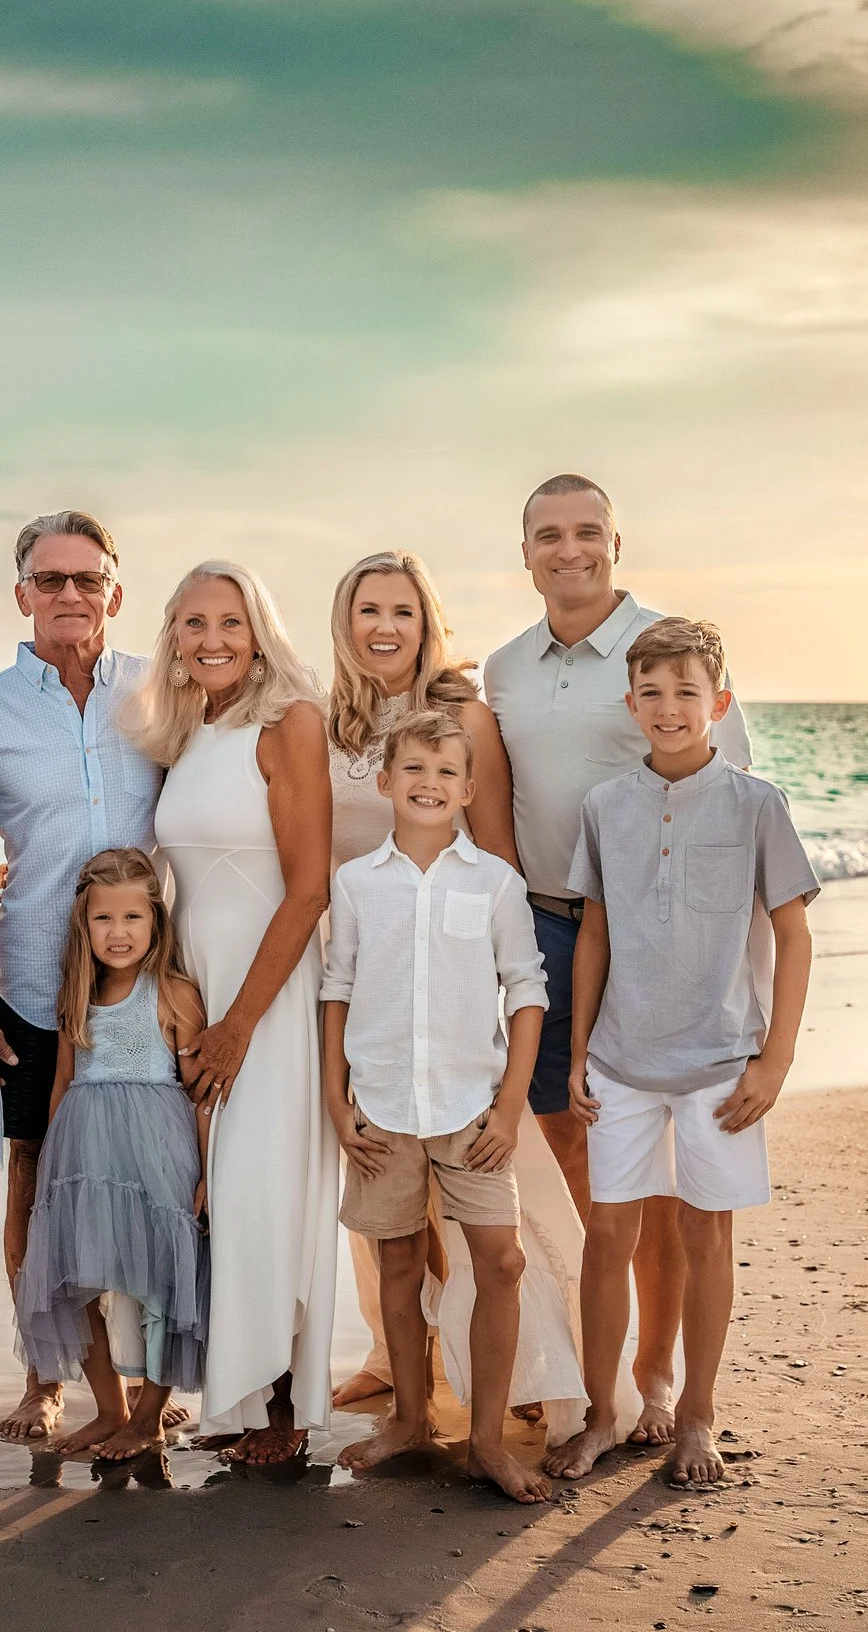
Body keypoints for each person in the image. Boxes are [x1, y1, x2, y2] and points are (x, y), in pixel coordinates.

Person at [482, 473, 753, 1448]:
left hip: (652, 936)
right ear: (524, 553)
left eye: (586, 532)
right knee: (572, 1152)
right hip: (547, 927)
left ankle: (655, 1379)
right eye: (547, 535)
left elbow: (731, 797)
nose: (568, 550)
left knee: (660, 1171)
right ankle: (591, 1376)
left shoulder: (660, 648)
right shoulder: (504, 668)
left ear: (615, 542)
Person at [543, 618, 817, 1489]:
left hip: (722, 1067)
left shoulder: (757, 804)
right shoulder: (606, 805)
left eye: (686, 693)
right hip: (620, 1061)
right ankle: (601, 1415)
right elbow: (593, 932)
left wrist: (773, 1062)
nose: (668, 708)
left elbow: (793, 931)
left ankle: (696, 1413)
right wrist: (580, 1048)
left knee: (706, 1237)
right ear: (631, 705)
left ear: (719, 702)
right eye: (651, 693)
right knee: (607, 1234)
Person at [324, 550, 582, 1429]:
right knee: (385, 1201)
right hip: (364, 956)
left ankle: (524, 1376)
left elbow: (497, 850)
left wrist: (495, 1007)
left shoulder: (462, 711)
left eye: (402, 609)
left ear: (428, 620)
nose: (385, 626)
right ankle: (391, 1362)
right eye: (368, 609)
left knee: (485, 1203)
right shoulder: (332, 718)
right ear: (346, 620)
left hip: (460, 975)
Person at [0, 511, 162, 1445]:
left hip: (152, 989)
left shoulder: (162, 691)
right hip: (31, 984)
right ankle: (43, 1376)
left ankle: (148, 1377)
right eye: (50, 578)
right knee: (32, 1173)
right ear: (21, 592)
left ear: (115, 590)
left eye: (87, 578)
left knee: (149, 1179)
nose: (69, 594)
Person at [134, 560, 338, 1467]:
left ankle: (288, 1409)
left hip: (272, 993)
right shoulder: (188, 733)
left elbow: (308, 888)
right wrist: (180, 990)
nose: (211, 639)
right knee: (221, 1193)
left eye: (229, 621)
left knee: (266, 1189)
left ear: (259, 631)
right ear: (172, 636)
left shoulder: (288, 723)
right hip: (205, 992)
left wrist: (242, 1022)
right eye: (193, 623)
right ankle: (246, 1393)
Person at [323, 709, 550, 1503]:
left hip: (471, 1109)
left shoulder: (494, 881)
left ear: (470, 788)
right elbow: (337, 989)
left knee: (503, 1260)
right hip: (381, 1104)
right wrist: (334, 1096)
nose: (429, 784)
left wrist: (510, 1106)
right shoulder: (356, 883)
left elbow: (526, 992)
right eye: (414, 769)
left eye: (447, 771)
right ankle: (411, 1419)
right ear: (385, 782)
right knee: (399, 1261)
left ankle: (485, 1439)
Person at [11, 849, 211, 1462]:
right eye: (104, 919)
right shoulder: (76, 995)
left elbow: (201, 1093)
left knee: (159, 1285)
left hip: (156, 1155)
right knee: (80, 1283)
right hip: (84, 1157)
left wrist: (206, 1172)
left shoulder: (173, 993)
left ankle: (149, 1416)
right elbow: (62, 1083)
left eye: (132, 918)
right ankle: (109, 1409)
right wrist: (49, 1168)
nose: (118, 933)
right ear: (83, 924)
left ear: (156, 922)